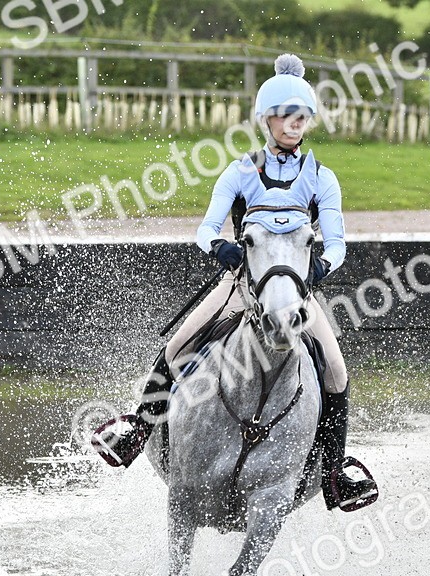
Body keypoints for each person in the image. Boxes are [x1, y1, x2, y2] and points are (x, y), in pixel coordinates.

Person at [91, 54, 378, 512]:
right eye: (285, 115)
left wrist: (319, 269)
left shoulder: (322, 177)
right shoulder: (242, 171)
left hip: (297, 290)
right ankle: (138, 430)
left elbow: (338, 243)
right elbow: (206, 229)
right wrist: (223, 249)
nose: (293, 124)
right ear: (266, 120)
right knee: (177, 347)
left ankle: (334, 472)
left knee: (336, 371)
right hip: (241, 285)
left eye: (301, 116)